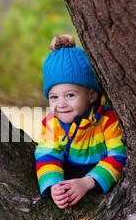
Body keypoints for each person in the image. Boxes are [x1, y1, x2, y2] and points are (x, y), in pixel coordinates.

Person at [35, 34, 127, 209]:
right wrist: (54, 185)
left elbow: (118, 155)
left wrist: (87, 182)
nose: (61, 104)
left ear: (91, 95)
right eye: (54, 97)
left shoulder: (107, 120)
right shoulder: (52, 124)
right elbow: (47, 155)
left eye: (70, 95)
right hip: (71, 173)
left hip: (98, 178)